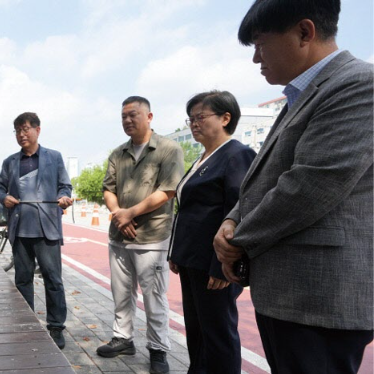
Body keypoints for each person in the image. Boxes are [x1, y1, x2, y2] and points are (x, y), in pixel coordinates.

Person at [212, 1, 373, 373]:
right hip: (291, 293)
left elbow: (311, 184)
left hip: (320, 298)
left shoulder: (359, 84)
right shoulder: (300, 97)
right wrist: (232, 219)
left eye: (260, 44)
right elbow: (264, 175)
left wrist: (237, 239)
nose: (256, 59)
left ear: (304, 32)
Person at [168, 91, 255, 374]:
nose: (194, 124)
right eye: (190, 118)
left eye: (201, 117)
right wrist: (175, 252)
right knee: (197, 330)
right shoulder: (202, 159)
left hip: (214, 262)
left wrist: (222, 264)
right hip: (192, 260)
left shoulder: (237, 154)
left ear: (225, 118)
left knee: (218, 334)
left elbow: (239, 210)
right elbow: (188, 210)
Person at [97, 96, 184, 374]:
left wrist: (129, 213)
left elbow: (168, 191)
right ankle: (123, 338)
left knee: (154, 296)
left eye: (133, 115)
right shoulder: (118, 153)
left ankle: (158, 349)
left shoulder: (169, 149)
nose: (127, 121)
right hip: (119, 236)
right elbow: (108, 189)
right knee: (121, 293)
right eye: (123, 116)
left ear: (149, 116)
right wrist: (119, 215)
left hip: (152, 236)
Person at [0, 112, 73, 349]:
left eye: (26, 129)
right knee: (22, 280)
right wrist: (4, 197)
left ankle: (56, 327)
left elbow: (64, 186)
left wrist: (63, 197)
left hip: (47, 229)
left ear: (38, 130)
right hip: (20, 231)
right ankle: (27, 325)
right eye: (17, 130)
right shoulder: (10, 162)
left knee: (53, 280)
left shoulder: (54, 158)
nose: (21, 134)